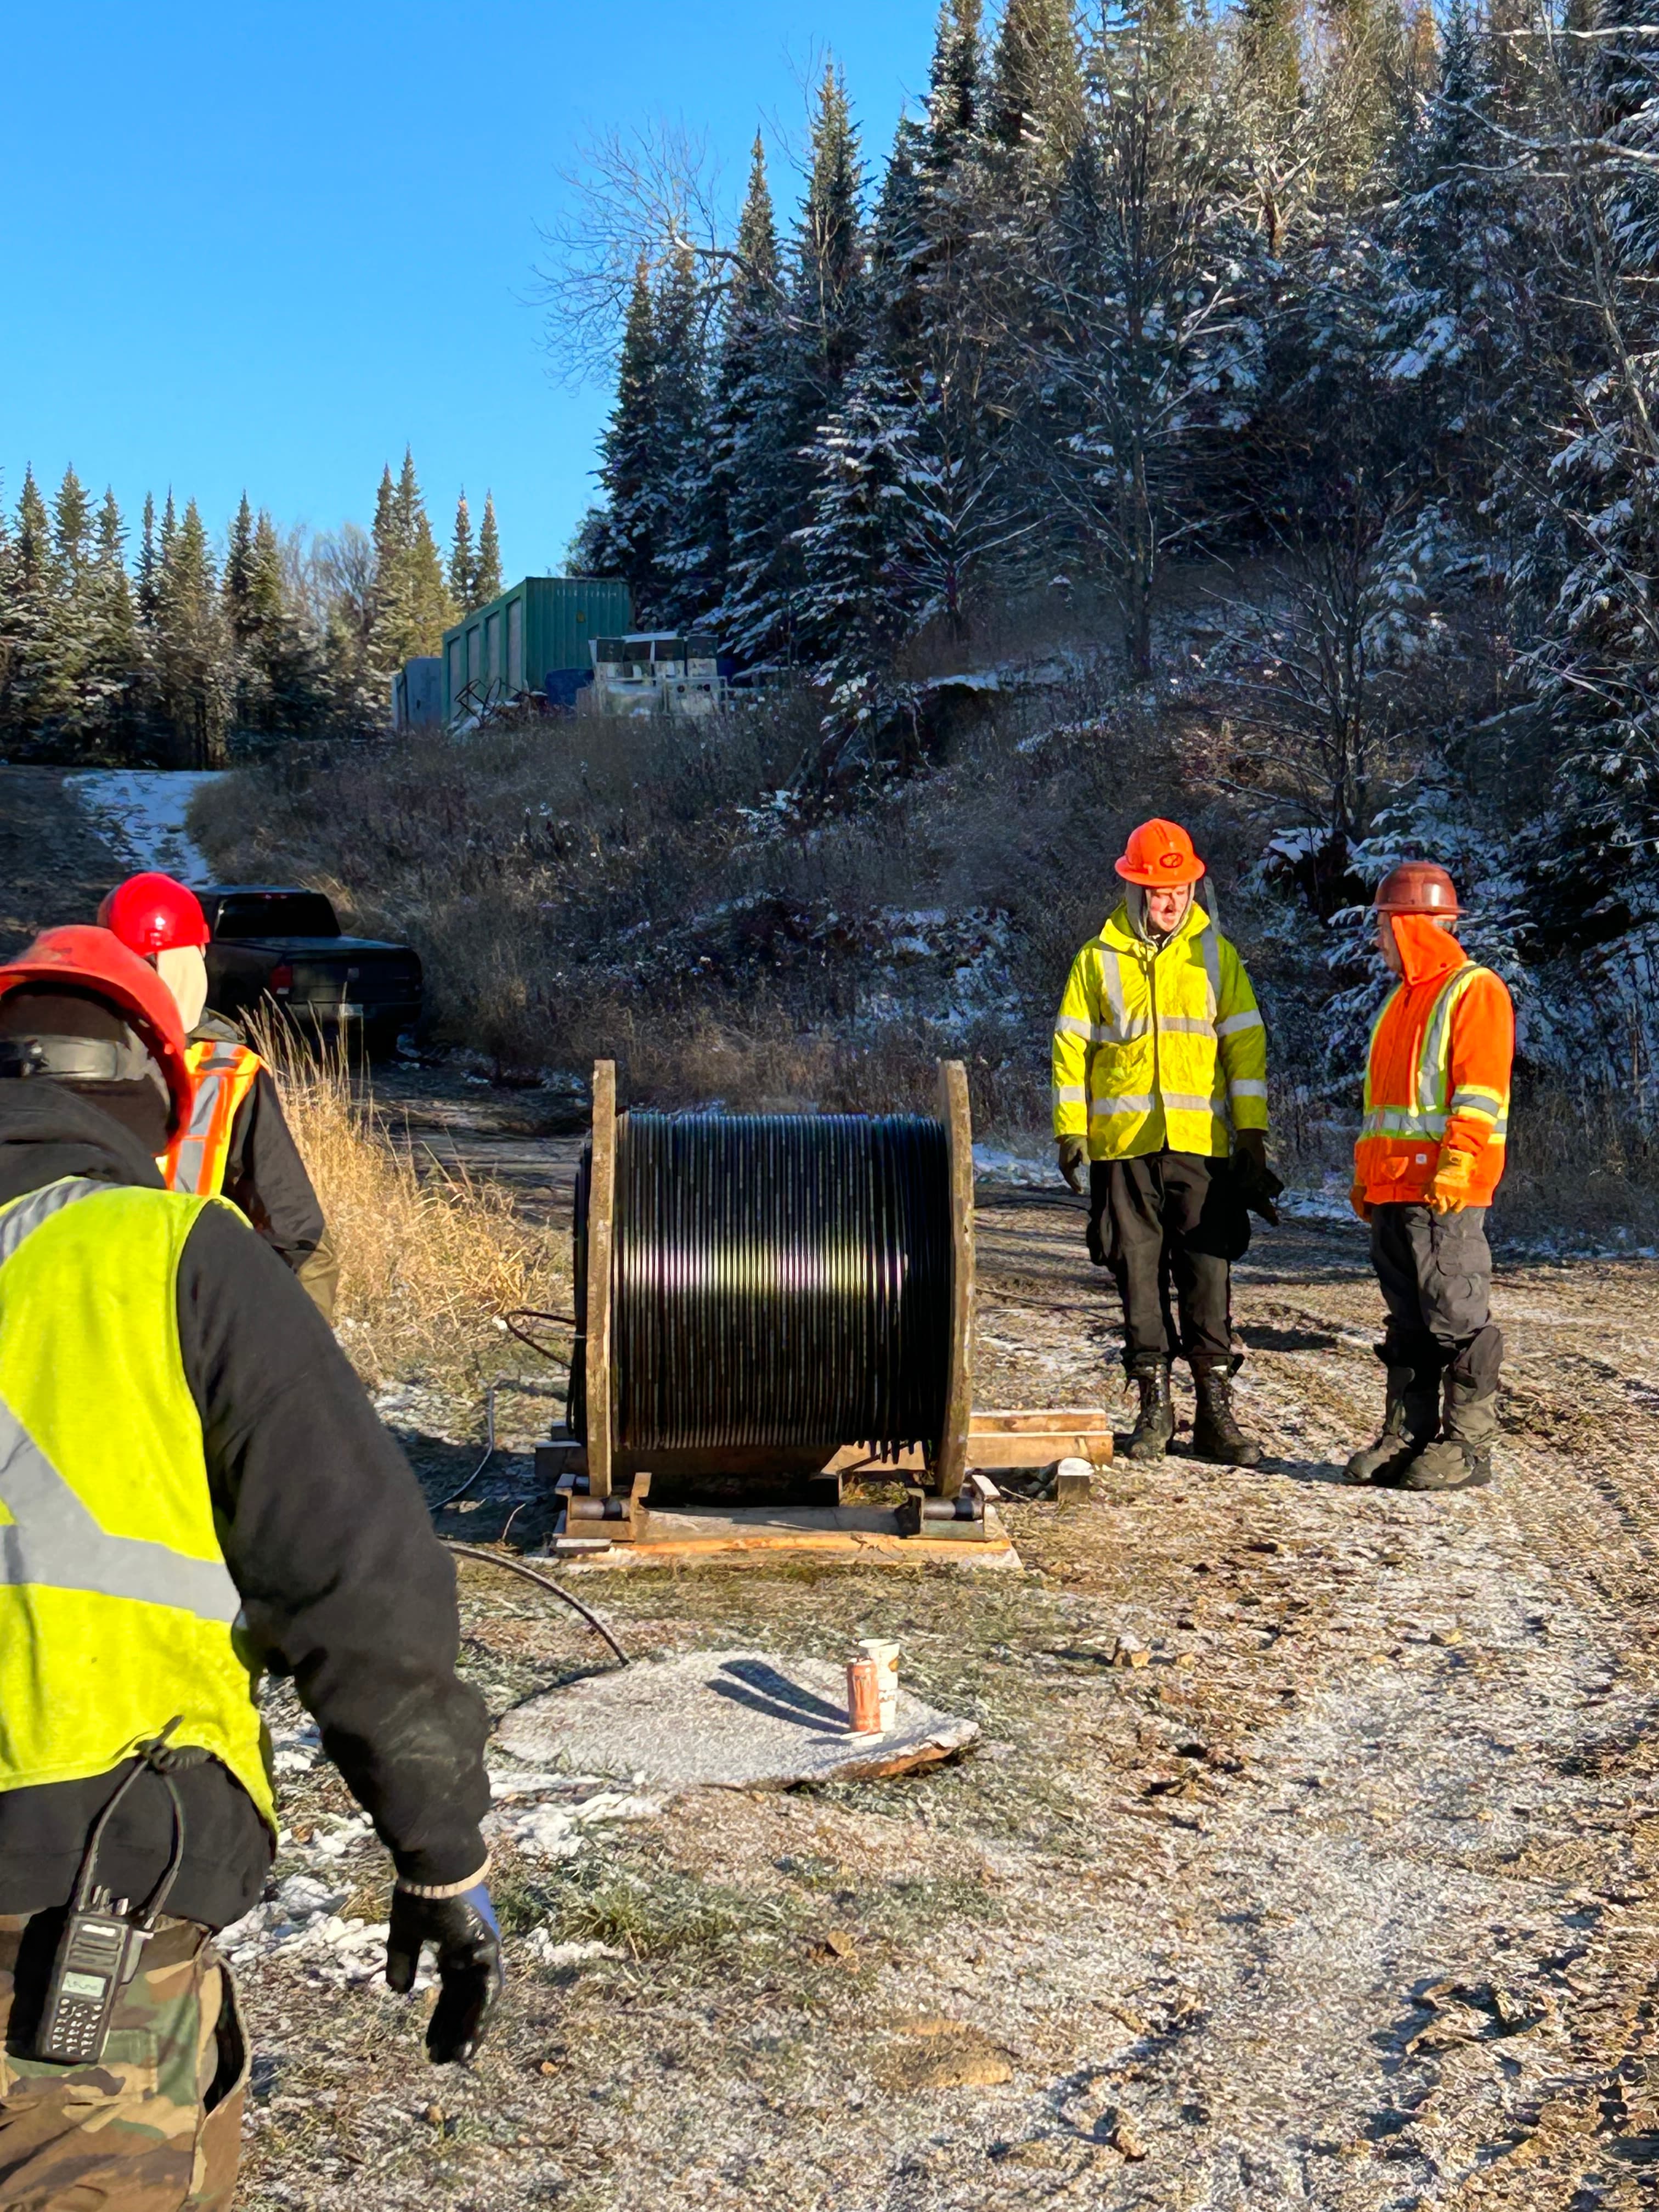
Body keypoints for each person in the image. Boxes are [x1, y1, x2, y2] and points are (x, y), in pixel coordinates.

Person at [0, 925, 500, 2209]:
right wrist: (438, 1852)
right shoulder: (175, 1256)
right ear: (156, 1092)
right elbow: (360, 1573)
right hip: (90, 1896)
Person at [1052, 819, 1272, 1466]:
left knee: (1208, 1273)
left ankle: (1214, 1413)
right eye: (1157, 890)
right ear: (1133, 890)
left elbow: (1245, 1045)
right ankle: (1154, 1407)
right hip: (1123, 1147)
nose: (1170, 901)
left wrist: (1252, 1133)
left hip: (1199, 1145)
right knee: (1136, 1275)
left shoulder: (1216, 954)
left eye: (1179, 888)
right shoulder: (1096, 961)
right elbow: (1070, 1050)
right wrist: (1071, 1131)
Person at [98, 871, 339, 1321]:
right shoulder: (229, 1073)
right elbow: (300, 1240)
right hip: (176, 1329)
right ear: (199, 954)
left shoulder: (39, 1052)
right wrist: (298, 1371)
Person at [1347, 863, 1514, 1492]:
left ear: (1412, 926)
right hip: (1395, 1192)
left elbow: (1480, 1092)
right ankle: (1409, 1434)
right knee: (1410, 1321)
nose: (1379, 940)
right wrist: (1368, 1177)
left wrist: (1458, 1161)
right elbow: (1384, 1105)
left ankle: (1470, 1447)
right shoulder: (1401, 1000)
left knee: (1456, 1316)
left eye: (1386, 926)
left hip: (1444, 1190)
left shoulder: (1474, 991)